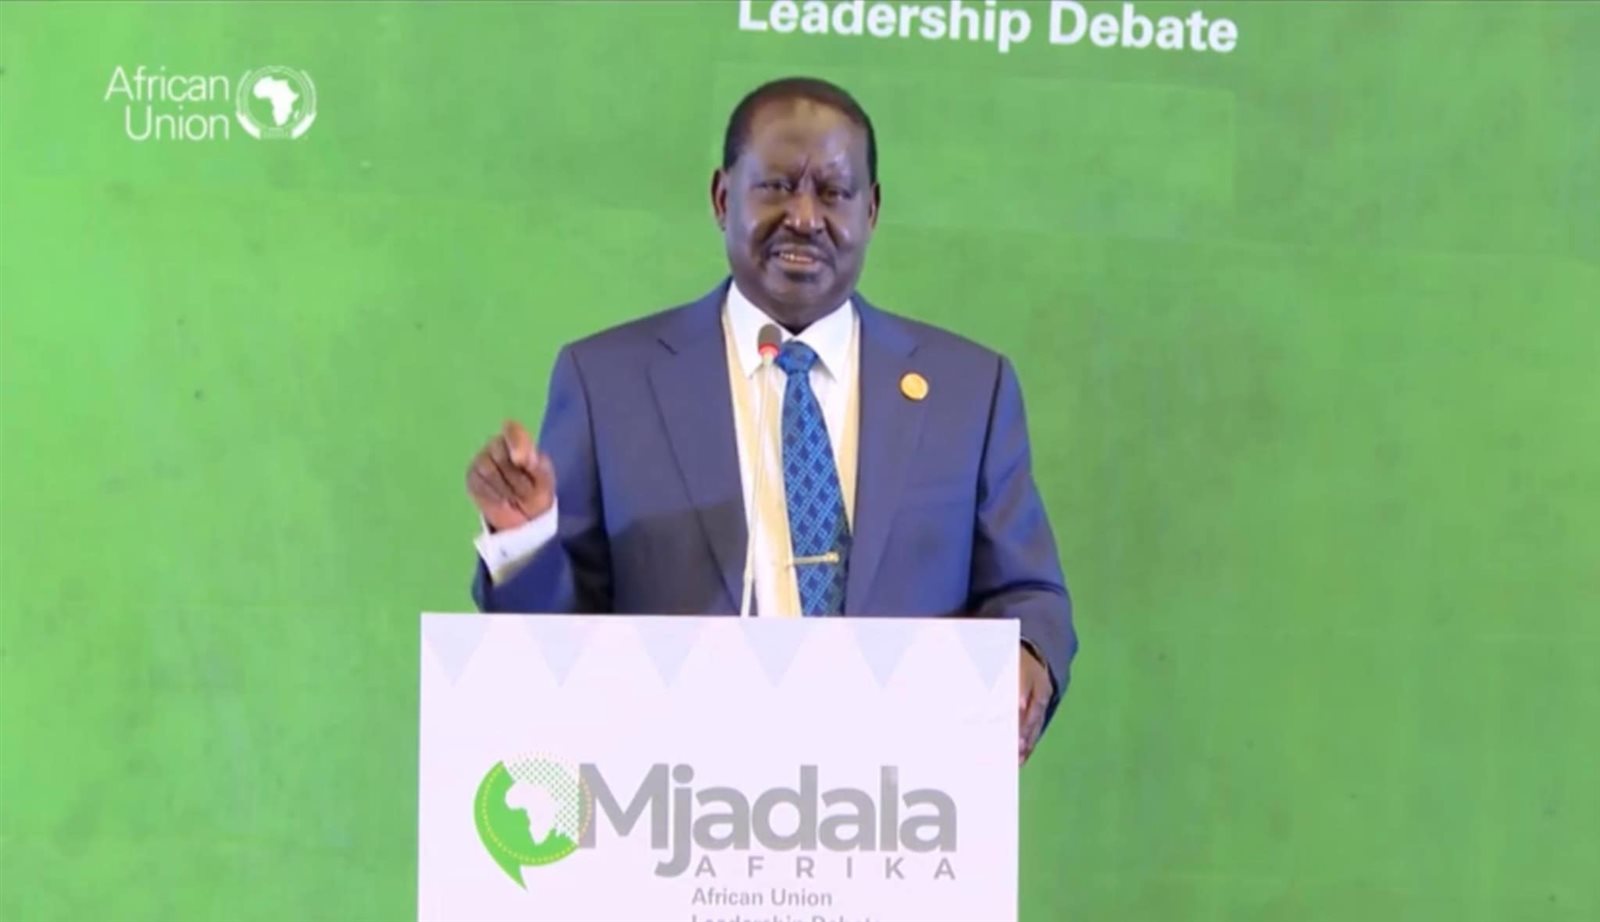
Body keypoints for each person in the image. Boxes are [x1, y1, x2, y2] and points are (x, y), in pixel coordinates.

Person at [465, 77, 1076, 764]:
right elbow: (554, 646)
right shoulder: (608, 382)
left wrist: (1027, 654)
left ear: (871, 210)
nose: (805, 218)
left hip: (897, 793)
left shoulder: (969, 391)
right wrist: (524, 540)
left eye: (834, 193)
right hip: (677, 793)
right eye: (777, 187)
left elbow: (1029, 591)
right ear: (723, 198)